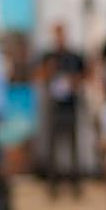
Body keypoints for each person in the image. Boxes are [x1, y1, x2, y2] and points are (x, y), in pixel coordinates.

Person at [39, 22, 86, 198]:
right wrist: (49, 71)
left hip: (70, 105)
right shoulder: (48, 56)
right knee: (52, 146)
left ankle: (75, 184)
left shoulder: (74, 56)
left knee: (73, 145)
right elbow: (38, 75)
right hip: (54, 106)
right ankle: (53, 185)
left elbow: (84, 75)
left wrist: (73, 81)